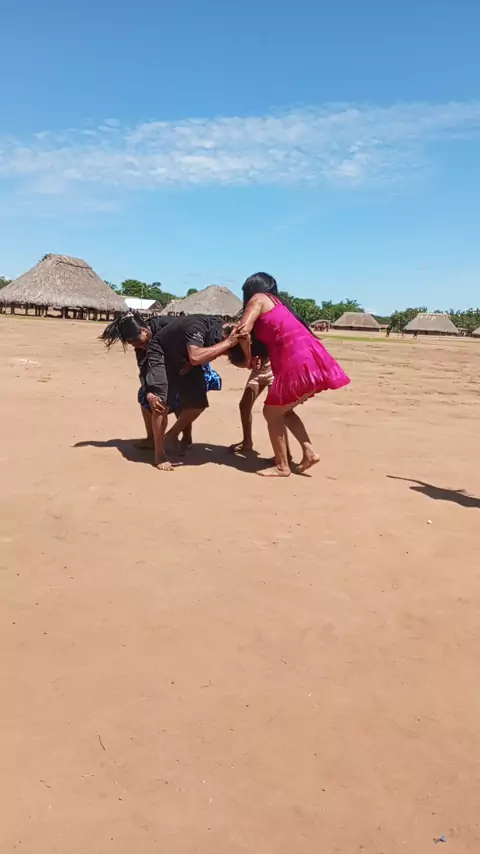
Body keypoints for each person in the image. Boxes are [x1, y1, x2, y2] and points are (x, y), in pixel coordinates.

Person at [234, 273, 350, 477]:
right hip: (310, 357)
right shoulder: (279, 303)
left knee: (271, 413)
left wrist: (247, 357)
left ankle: (282, 466)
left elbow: (242, 331)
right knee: (283, 411)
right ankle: (309, 452)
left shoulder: (258, 298)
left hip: (294, 362)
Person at [100, 313, 223, 463]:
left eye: (138, 342)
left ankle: (184, 437)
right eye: (133, 345)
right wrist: (149, 392)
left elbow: (198, 344)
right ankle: (152, 439)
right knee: (150, 398)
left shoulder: (170, 325)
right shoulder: (141, 346)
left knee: (190, 401)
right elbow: (144, 369)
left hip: (189, 361)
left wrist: (189, 364)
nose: (138, 346)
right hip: (164, 366)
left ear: (144, 331)